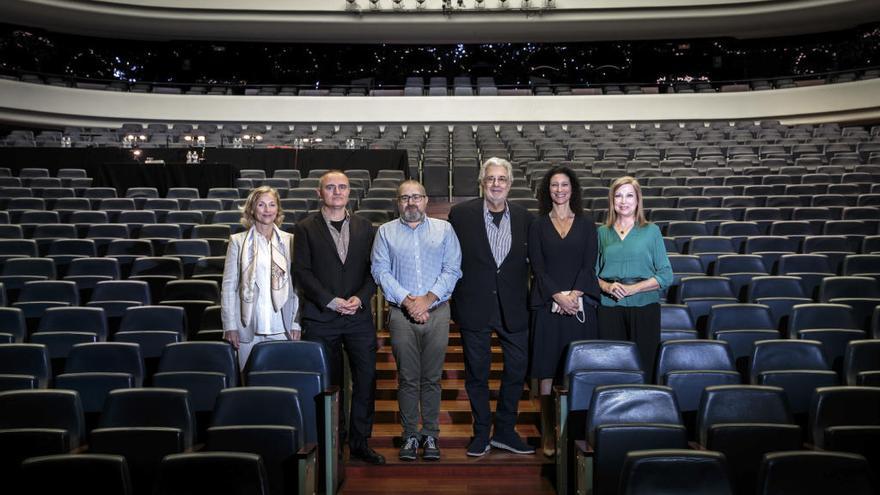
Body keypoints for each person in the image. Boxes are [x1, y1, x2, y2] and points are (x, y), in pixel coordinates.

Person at [292, 170, 384, 465]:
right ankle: (333, 441)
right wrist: (330, 301)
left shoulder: (365, 226)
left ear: (349, 192)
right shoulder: (305, 227)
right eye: (330, 187)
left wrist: (361, 297)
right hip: (321, 318)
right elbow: (302, 272)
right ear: (320, 193)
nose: (337, 191)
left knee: (366, 379)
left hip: (357, 317)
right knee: (329, 385)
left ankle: (360, 442)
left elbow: (374, 270)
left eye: (342, 187)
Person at [448, 157, 535, 457]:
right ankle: (482, 432)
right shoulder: (460, 215)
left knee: (516, 370)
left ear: (510, 184)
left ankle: (506, 431)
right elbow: (451, 259)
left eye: (502, 179)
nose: (496, 184)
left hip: (514, 307)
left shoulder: (526, 217)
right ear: (482, 182)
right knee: (477, 374)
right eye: (491, 179)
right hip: (475, 306)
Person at [371, 180, 462, 462]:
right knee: (408, 378)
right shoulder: (385, 232)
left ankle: (431, 434)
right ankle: (411, 434)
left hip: (437, 311)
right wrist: (409, 301)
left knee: (432, 378)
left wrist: (427, 299)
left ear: (425, 200)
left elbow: (453, 268)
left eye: (416, 197)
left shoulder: (444, 229)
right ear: (398, 202)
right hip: (401, 314)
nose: (411, 202)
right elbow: (380, 271)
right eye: (405, 198)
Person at [528, 166, 600, 456]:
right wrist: (558, 296)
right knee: (546, 371)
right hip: (548, 306)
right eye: (554, 185)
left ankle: (576, 430)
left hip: (580, 306)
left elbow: (589, 265)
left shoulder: (586, 224)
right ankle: (548, 432)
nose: (559, 190)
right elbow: (538, 266)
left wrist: (574, 296)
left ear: (573, 189)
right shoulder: (537, 225)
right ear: (548, 190)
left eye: (564, 185)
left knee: (580, 371)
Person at [596, 176, 673, 382]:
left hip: (645, 308)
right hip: (609, 308)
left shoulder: (652, 231)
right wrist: (606, 286)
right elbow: (592, 275)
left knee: (644, 367)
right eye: (618, 196)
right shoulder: (601, 233)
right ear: (612, 201)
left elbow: (666, 275)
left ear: (638, 200)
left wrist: (634, 289)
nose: (624, 201)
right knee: (613, 368)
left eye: (629, 195)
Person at [221, 185, 300, 370]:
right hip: (246, 328)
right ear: (251, 209)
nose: (267, 210)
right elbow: (229, 286)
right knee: (250, 384)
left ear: (278, 210)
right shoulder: (237, 241)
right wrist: (229, 325)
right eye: (261, 205)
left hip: (282, 327)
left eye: (272, 205)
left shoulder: (290, 241)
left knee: (280, 382)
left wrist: (296, 322)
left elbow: (297, 287)